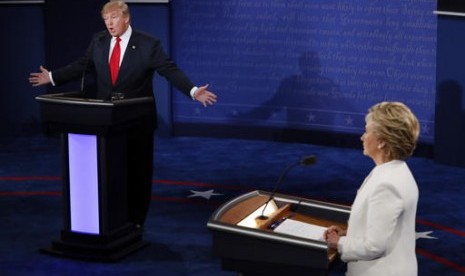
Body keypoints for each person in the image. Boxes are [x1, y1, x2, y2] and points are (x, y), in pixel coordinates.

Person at [28, 0, 217, 228]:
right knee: (111, 174)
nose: (109, 23)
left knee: (138, 174)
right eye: (106, 19)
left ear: (126, 18)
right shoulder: (98, 41)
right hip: (106, 122)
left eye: (114, 18)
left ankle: (136, 222)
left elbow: (169, 70)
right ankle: (113, 219)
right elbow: (82, 66)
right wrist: (53, 77)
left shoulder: (148, 44)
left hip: (137, 122)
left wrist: (194, 91)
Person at [325, 101, 420, 276]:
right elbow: (385, 227)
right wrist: (349, 234)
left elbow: (375, 246)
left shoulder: (387, 184)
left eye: (367, 131)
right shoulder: (395, 171)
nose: (362, 137)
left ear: (382, 142)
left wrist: (339, 243)